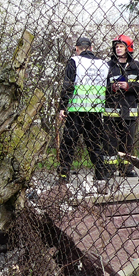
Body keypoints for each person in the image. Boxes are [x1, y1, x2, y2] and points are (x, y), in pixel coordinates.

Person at [57, 37, 111, 191]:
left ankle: (64, 177)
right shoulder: (103, 64)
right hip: (95, 111)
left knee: (68, 144)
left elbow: (68, 84)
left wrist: (63, 106)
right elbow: (108, 87)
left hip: (76, 110)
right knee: (94, 145)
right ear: (91, 48)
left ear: (77, 48)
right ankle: (101, 178)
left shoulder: (75, 61)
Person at [104, 35, 139, 178]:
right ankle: (109, 170)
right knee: (110, 142)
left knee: (127, 142)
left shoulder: (136, 66)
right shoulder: (108, 66)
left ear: (128, 48)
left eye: (121, 46)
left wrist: (129, 86)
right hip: (111, 112)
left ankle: (126, 169)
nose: (118, 49)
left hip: (129, 111)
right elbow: (101, 85)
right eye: (116, 46)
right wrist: (112, 88)